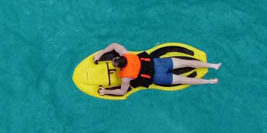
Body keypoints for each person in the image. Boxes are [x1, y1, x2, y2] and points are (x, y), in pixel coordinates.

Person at [92, 42, 221, 96]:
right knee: (185, 62)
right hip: (159, 63)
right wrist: (99, 54)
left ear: (120, 67)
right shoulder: (127, 54)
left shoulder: (126, 77)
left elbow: (122, 92)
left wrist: (105, 91)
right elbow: (115, 45)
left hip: (158, 77)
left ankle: (210, 81)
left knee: (184, 80)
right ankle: (213, 65)